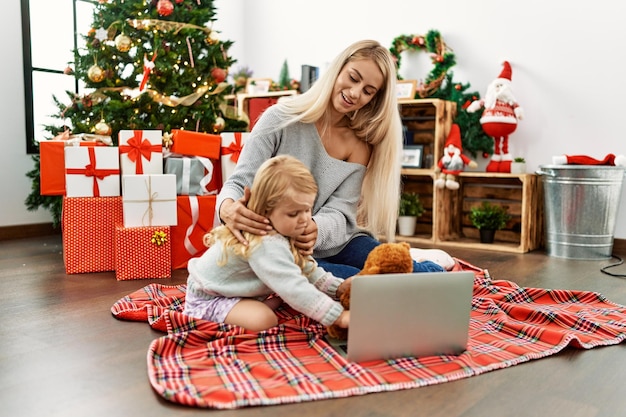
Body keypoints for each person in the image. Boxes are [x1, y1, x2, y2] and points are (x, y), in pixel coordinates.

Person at [217, 39, 444, 278]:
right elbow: (238, 181)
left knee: (399, 271)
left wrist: (316, 228)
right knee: (354, 281)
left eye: (368, 91)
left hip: (335, 243)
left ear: (374, 100)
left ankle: (434, 270)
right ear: (337, 70)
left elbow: (341, 213)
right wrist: (227, 208)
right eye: (353, 78)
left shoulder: (359, 144)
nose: (355, 93)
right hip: (273, 245)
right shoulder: (279, 118)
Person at [184, 155, 350, 332]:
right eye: (293, 214)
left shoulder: (285, 228)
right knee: (265, 319)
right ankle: (252, 308)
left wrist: (338, 288)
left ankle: (255, 305)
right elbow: (292, 286)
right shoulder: (265, 242)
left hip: (234, 291)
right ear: (266, 210)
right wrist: (338, 316)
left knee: (290, 298)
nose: (304, 220)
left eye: (307, 209)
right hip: (209, 299)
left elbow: (307, 269)